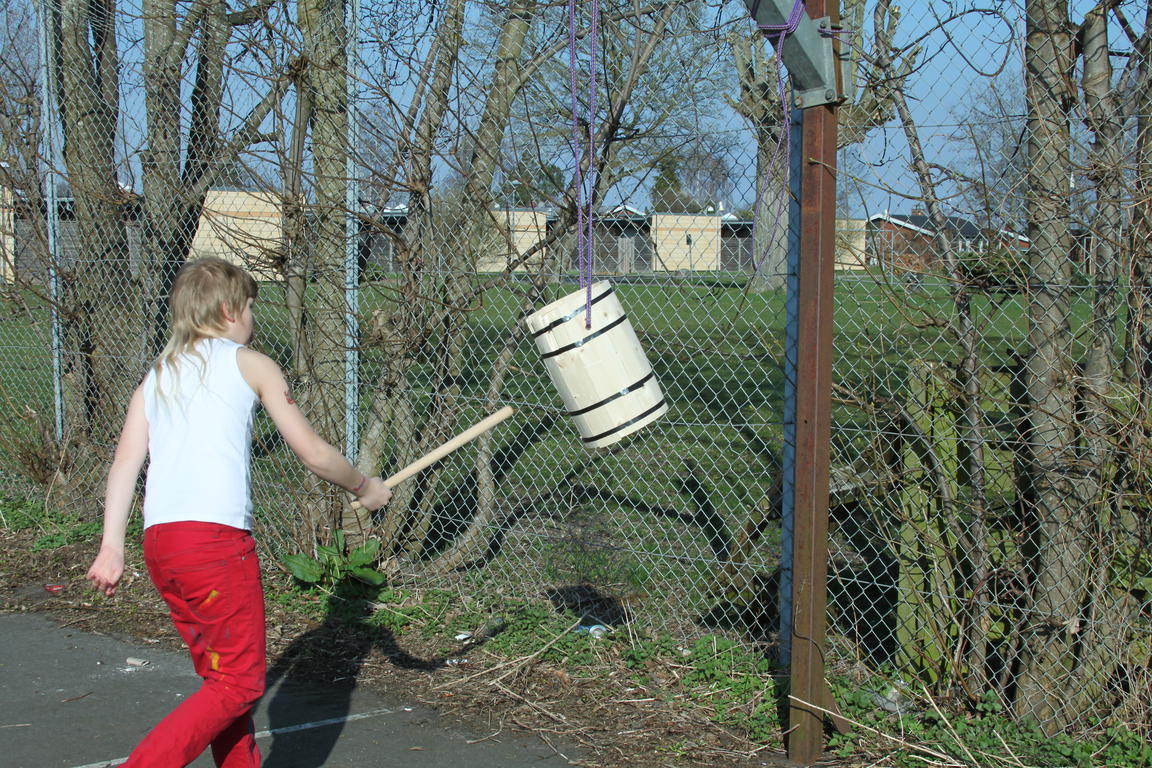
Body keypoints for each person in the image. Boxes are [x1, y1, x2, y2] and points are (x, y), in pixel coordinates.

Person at [85, 256, 391, 768]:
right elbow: (313, 452)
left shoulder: (156, 377)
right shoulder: (250, 363)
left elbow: (124, 461)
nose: (252, 318)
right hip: (214, 546)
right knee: (239, 685)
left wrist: (111, 546)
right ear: (229, 309)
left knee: (222, 681)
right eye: (250, 306)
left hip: (162, 546)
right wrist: (363, 486)